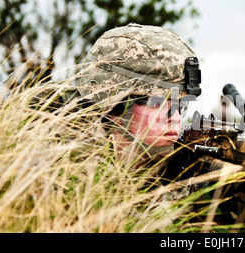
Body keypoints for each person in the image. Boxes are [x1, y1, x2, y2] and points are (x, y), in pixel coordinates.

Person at [75, 23, 202, 169]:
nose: (175, 117)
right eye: (156, 103)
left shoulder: (181, 166)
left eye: (181, 104)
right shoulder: (68, 163)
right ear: (114, 107)